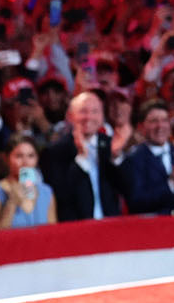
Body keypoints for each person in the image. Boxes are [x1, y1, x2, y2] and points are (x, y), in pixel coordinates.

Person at [40, 91, 125, 221]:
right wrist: (81, 161)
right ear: (70, 116)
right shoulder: (55, 151)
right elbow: (61, 196)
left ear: (102, 116)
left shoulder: (110, 145)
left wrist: (116, 158)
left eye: (95, 111)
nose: (89, 117)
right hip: (76, 229)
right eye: (83, 111)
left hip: (111, 225)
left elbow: (126, 189)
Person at [119, 101, 174, 214]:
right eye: (154, 121)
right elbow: (136, 202)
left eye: (165, 120)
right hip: (152, 227)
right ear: (141, 127)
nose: (160, 126)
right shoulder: (132, 160)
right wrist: (172, 185)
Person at [0, 134, 56, 229]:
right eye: (19, 156)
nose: (25, 162)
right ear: (7, 159)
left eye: (31, 156)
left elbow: (53, 232)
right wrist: (11, 204)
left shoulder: (46, 192)